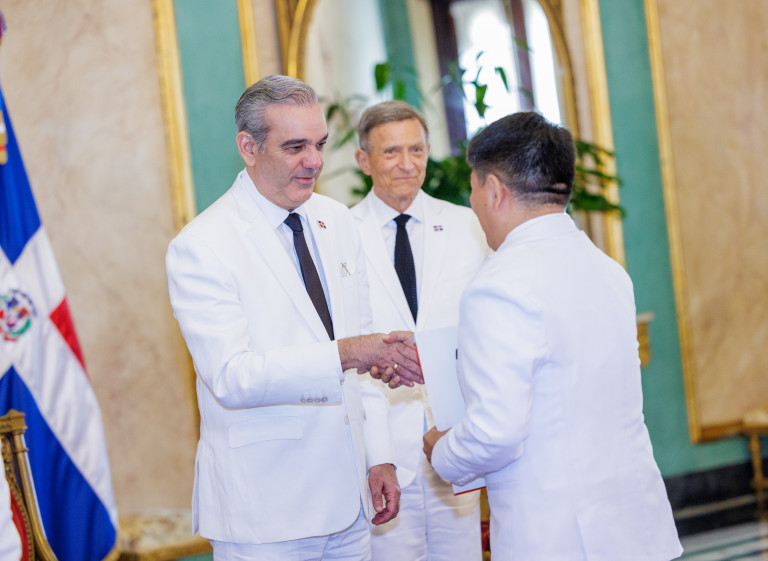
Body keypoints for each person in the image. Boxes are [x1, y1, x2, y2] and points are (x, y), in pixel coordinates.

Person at [166, 75, 424, 561]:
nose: (314, 161)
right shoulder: (202, 245)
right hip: (266, 512)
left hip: (352, 502)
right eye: (295, 147)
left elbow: (361, 349)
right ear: (248, 147)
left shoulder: (337, 220)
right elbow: (232, 376)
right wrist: (347, 353)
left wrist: (379, 456)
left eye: (320, 144)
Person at [423, 112, 683, 561]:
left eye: (474, 188)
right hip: (633, 524)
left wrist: (442, 451)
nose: (473, 203)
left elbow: (497, 432)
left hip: (558, 533)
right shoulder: (608, 270)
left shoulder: (497, 286)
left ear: (494, 190)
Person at [351, 100, 488, 561]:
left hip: (455, 435)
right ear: (364, 160)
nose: (406, 164)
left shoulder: (468, 225)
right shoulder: (342, 234)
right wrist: (377, 455)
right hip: (383, 448)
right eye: (391, 152)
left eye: (416, 149)